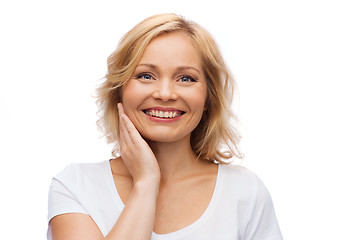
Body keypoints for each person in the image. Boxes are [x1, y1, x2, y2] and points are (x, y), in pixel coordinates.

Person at [47, 13, 283, 240]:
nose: (165, 94)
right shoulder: (76, 185)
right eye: (146, 76)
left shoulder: (244, 191)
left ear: (208, 99)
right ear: (119, 90)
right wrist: (146, 182)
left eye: (186, 78)